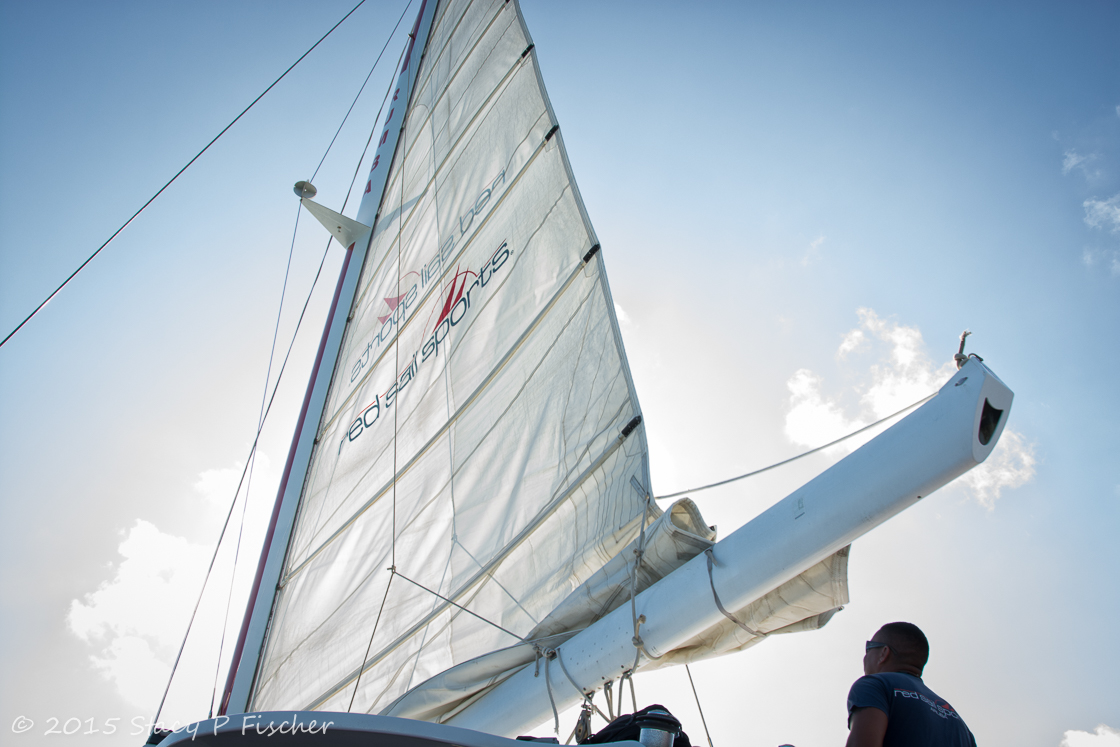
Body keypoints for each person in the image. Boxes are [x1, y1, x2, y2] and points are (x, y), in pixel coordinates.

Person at [845, 622, 977, 747]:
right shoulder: (961, 726)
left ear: (884, 653)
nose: (865, 657)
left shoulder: (874, 686)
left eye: (869, 648)